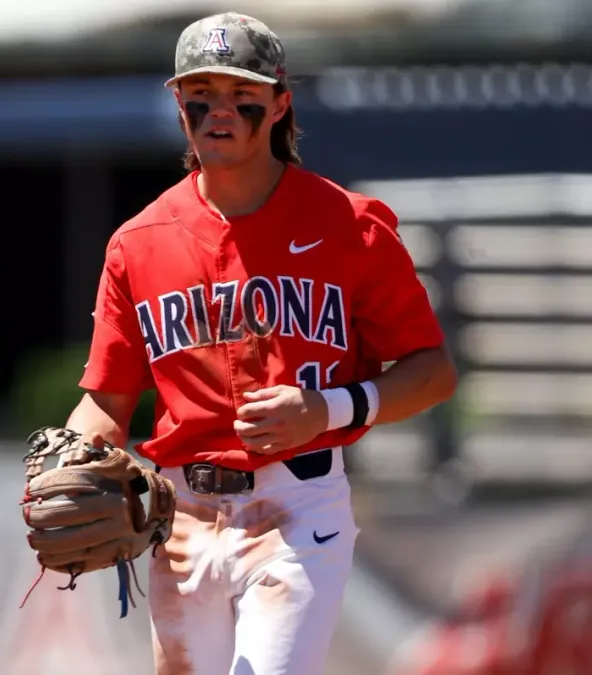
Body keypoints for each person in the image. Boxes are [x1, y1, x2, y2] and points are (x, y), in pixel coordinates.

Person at [63, 12, 458, 675]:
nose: (219, 111)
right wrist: (68, 462)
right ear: (177, 104)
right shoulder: (139, 241)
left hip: (297, 508)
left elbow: (432, 371)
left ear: (280, 104)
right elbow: (105, 400)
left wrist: (325, 409)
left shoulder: (351, 226)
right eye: (202, 95)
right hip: (182, 516)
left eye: (240, 95)